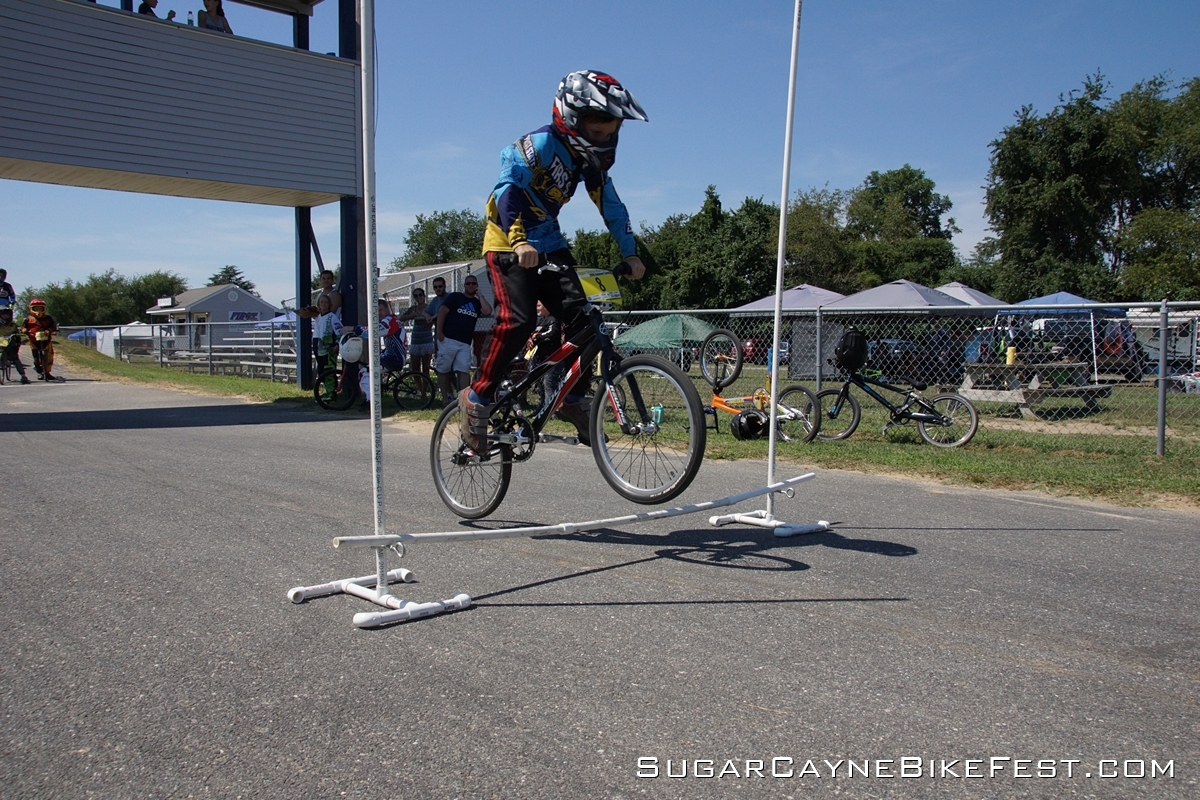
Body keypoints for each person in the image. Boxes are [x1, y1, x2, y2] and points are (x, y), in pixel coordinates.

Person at [459, 70, 647, 451]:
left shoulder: (588, 164)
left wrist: (631, 252)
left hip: (548, 240)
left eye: (610, 132)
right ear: (572, 118)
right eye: (597, 131)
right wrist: (518, 241)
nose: (604, 139)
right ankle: (477, 396)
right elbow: (507, 190)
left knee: (584, 319)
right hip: (507, 240)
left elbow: (611, 206)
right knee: (519, 320)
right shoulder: (542, 143)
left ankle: (572, 398)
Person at [435, 276, 491, 407]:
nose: (471, 286)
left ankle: (462, 400)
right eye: (468, 283)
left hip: (465, 343)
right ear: (464, 285)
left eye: (473, 283)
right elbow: (442, 312)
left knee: (464, 370)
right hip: (448, 339)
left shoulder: (477, 303)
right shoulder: (455, 297)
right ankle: (445, 399)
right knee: (443, 370)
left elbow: (488, 311)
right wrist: (439, 333)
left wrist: (480, 295)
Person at [399, 287, 435, 380]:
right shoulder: (413, 309)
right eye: (416, 296)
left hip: (426, 341)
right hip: (415, 341)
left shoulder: (429, 308)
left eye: (420, 295)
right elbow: (401, 318)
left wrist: (422, 316)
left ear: (424, 296)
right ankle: (418, 388)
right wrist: (412, 316)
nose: (418, 297)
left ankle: (426, 388)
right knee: (415, 369)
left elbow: (430, 324)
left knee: (426, 368)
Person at [23, 298, 60, 381]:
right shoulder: (28, 319)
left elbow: (53, 326)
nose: (38, 311)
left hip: (46, 339)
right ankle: (39, 372)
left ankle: (47, 372)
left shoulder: (48, 318)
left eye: (40, 308)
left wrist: (49, 330)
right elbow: (23, 328)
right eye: (36, 308)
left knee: (49, 356)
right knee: (36, 358)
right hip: (34, 340)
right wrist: (26, 331)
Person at [0, 307, 32, 384]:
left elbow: (18, 332)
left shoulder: (13, 325)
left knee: (15, 358)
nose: (5, 317)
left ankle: (23, 375)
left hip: (10, 344)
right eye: (3, 315)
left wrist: (20, 334)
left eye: (7, 315)